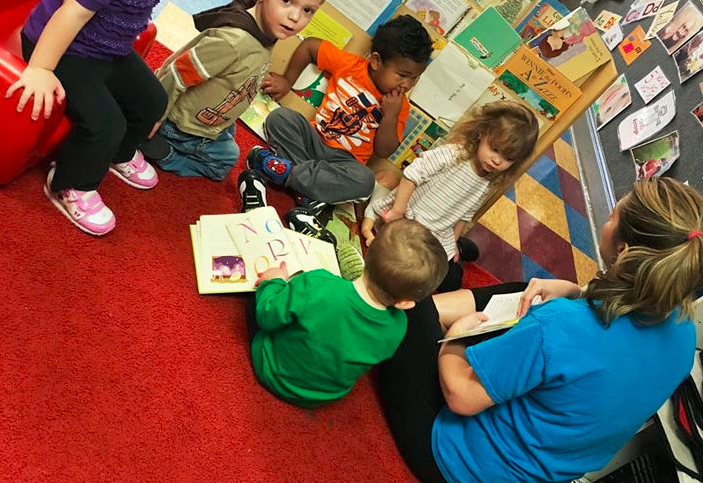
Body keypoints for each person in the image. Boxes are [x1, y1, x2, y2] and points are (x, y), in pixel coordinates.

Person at [377, 177, 702, 483]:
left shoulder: (559, 325)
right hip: (533, 470)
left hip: (457, 462)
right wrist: (574, 291)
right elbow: (607, 337)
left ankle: (428, 315)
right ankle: (445, 315)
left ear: (624, 251)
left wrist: (453, 342)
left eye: (613, 214)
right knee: (527, 292)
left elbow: (462, 397)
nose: (608, 219)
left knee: (410, 300)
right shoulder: (685, 333)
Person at [5, 0, 252, 236]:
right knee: (106, 123)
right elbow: (72, 14)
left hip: (106, 46)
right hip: (65, 47)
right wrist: (40, 67)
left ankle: (119, 154)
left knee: (152, 100)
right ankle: (70, 181)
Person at [142, 0, 330, 182]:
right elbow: (178, 72)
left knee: (228, 135)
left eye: (308, 10)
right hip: (181, 124)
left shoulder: (266, 27)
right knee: (225, 161)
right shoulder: (234, 41)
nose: (295, 17)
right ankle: (165, 151)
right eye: (286, 1)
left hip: (211, 116)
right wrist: (155, 117)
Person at [249, 218, 448, 408]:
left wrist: (273, 282)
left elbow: (266, 315)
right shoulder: (398, 327)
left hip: (270, 367)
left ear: (365, 255)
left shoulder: (318, 284)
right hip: (321, 396)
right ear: (405, 303)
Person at [249, 14, 433, 205]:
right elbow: (310, 46)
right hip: (314, 139)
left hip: (343, 163)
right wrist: (288, 80)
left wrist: (390, 115)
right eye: (402, 75)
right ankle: (307, 187)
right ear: (376, 61)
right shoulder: (350, 65)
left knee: (365, 181)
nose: (407, 84)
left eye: (415, 78)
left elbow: (383, 150)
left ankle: (291, 175)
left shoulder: (400, 106)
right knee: (280, 117)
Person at [362, 101, 539, 292]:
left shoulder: (489, 180)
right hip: (409, 218)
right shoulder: (453, 155)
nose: (497, 160)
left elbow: (465, 214)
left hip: (438, 232)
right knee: (401, 263)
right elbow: (411, 175)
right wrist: (398, 210)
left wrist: (453, 242)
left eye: (508, 158)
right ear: (481, 133)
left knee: (451, 279)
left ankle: (460, 248)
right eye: (495, 149)